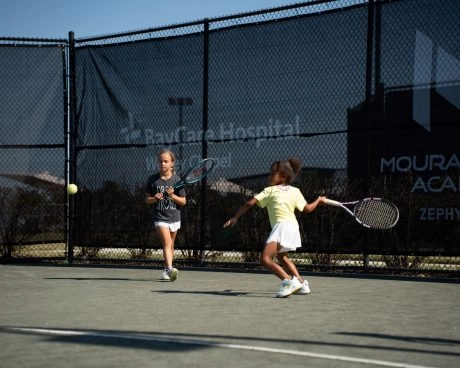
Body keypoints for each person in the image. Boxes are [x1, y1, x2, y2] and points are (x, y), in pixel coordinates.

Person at [223, 157, 326, 297]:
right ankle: (302, 284)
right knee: (282, 257)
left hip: (282, 227)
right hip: (293, 228)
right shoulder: (295, 191)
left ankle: (288, 281)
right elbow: (307, 209)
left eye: (273, 174)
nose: (269, 176)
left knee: (265, 259)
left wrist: (235, 217)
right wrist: (319, 200)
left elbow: (249, 203)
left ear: (283, 176)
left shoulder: (269, 191)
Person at [145, 149, 186, 281]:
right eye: (160, 161)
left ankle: (166, 269)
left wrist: (172, 195)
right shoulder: (152, 180)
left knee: (171, 244)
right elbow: (147, 200)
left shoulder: (177, 180)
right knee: (166, 242)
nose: (162, 164)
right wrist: (155, 198)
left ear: (172, 163)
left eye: (166, 161)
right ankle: (169, 269)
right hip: (160, 217)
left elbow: (183, 201)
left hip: (174, 217)